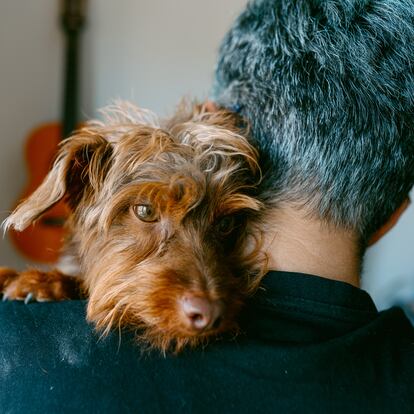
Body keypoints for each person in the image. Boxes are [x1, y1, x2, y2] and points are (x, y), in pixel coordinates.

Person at [1, 0, 413, 412]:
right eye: (147, 212)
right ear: (394, 214)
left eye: (224, 225)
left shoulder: (15, 349)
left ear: (218, 125)